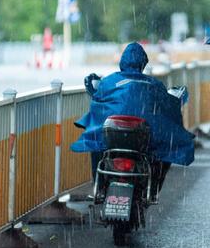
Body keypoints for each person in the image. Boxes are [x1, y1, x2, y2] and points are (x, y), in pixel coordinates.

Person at [71, 42, 195, 197]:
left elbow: (96, 95)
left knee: (97, 143)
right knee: (165, 148)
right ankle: (153, 189)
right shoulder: (154, 84)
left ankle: (99, 186)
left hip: (113, 135)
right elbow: (168, 105)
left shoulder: (109, 81)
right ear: (143, 63)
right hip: (142, 137)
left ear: (122, 62)